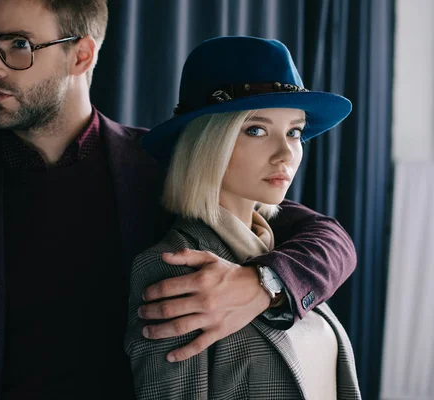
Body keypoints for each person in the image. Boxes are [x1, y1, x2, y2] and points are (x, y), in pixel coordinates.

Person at [0, 1, 357, 399]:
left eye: (18, 43)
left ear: (82, 55)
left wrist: (264, 285)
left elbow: (330, 239)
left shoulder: (159, 169)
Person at [124, 36, 362, 399]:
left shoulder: (285, 247)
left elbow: (335, 238)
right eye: (256, 130)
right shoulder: (174, 268)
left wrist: (266, 284)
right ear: (208, 141)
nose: (286, 153)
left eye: (294, 132)